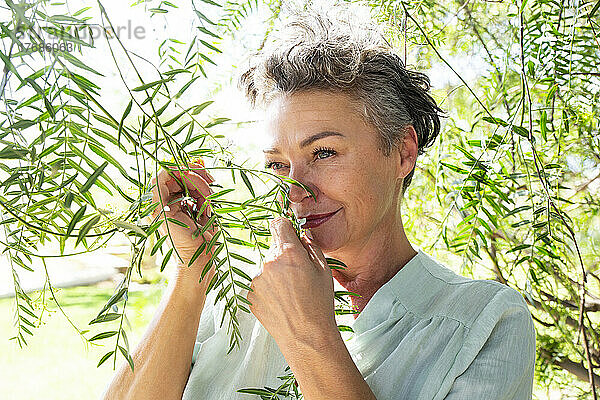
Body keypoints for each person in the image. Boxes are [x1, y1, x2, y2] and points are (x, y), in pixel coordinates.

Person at [102, 7, 536, 400]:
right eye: (277, 165)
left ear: (403, 151)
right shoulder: (234, 300)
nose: (297, 190)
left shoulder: (485, 324)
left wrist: (307, 333)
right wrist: (193, 273)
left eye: (323, 153)